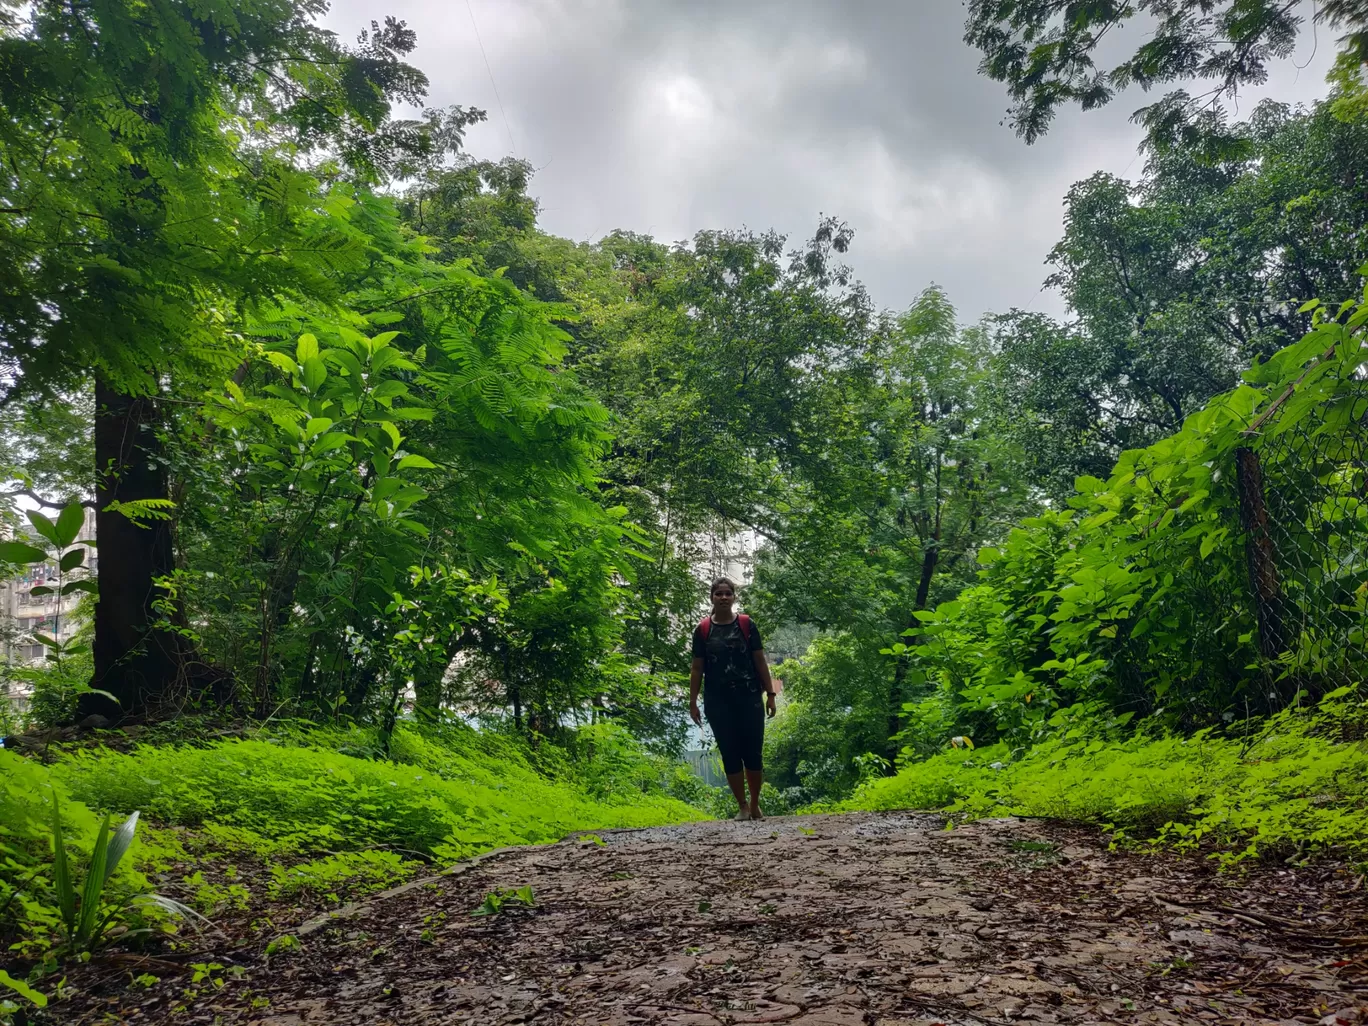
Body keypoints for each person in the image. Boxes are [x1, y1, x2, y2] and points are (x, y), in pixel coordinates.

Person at [688, 577, 777, 821]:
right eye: (719, 594)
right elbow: (697, 668)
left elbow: (760, 660)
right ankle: (742, 806)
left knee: (753, 753)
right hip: (718, 703)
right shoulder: (703, 630)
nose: (724, 597)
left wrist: (770, 694)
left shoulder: (747, 625)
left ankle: (756, 804)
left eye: (728, 593)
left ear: (734, 597)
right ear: (712, 598)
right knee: (729, 752)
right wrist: (692, 701)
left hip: (750, 699)